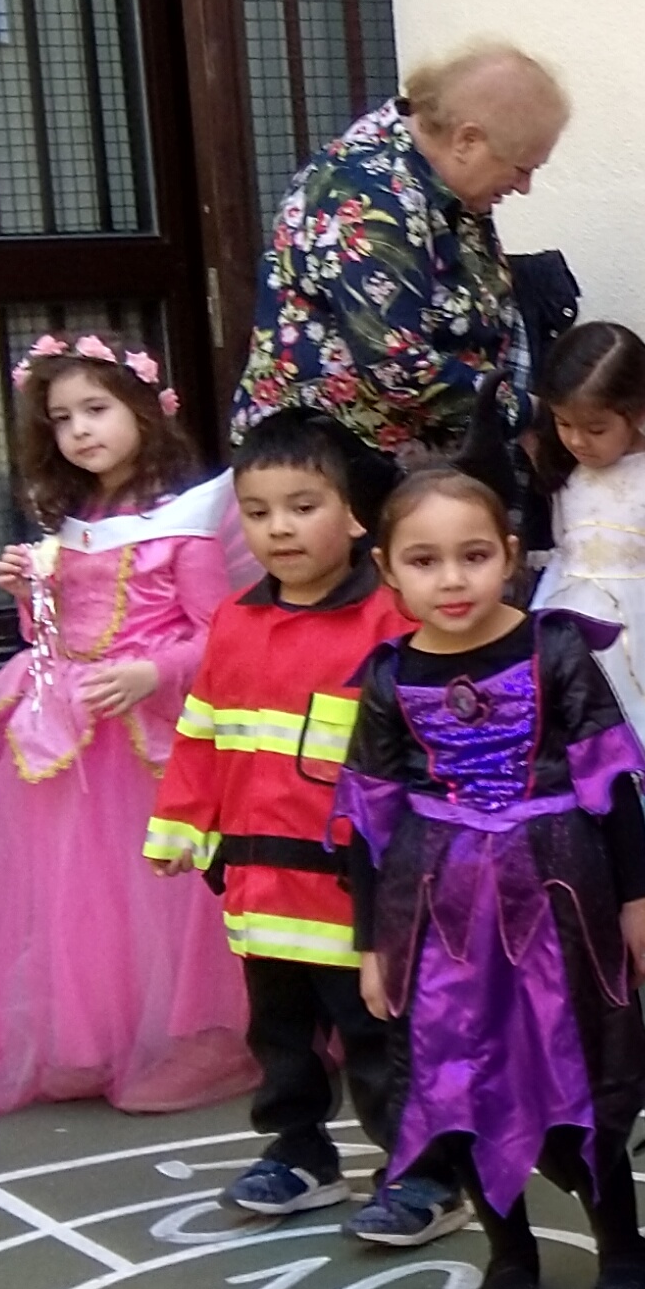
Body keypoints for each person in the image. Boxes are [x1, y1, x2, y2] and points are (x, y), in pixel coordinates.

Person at [0, 338, 252, 1117]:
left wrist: (154, 673)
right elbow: (53, 637)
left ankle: (203, 1035)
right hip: (76, 735)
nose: (79, 429)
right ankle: (99, 1035)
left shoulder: (182, 522)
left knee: (166, 895)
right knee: (86, 899)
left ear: (144, 410)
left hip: (149, 738)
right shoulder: (75, 519)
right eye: (61, 418)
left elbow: (222, 633)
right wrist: (30, 594)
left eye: (96, 409)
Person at [334, 463, 645, 1289]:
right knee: (463, 1083)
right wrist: (371, 945)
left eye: (474, 555)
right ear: (388, 569)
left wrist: (639, 903)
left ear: (511, 556)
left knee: (579, 1073)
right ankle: (510, 1253)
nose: (453, 579)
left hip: (562, 907)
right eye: (425, 561)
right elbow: (369, 822)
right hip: (438, 921)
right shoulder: (387, 677)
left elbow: (611, 787)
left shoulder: (555, 651)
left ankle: (623, 1246)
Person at [144, 410, 430, 1223]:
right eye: (258, 511)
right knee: (278, 1036)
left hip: (357, 893)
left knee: (380, 1035)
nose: (279, 528)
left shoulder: (393, 623)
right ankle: (298, 1153)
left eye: (303, 507)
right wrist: (178, 827)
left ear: (355, 515)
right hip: (259, 886)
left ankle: (422, 1173)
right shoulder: (236, 622)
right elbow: (202, 735)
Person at [233, 40, 570, 463]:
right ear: (467, 139)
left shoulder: (434, 172)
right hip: (326, 466)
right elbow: (396, 366)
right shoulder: (369, 197)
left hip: (399, 455)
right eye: (521, 168)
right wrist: (526, 412)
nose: (524, 187)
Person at [528, 321, 645, 773]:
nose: (577, 441)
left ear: (638, 413)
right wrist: (536, 620)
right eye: (563, 424)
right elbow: (564, 553)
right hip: (577, 623)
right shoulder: (569, 477)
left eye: (595, 428)